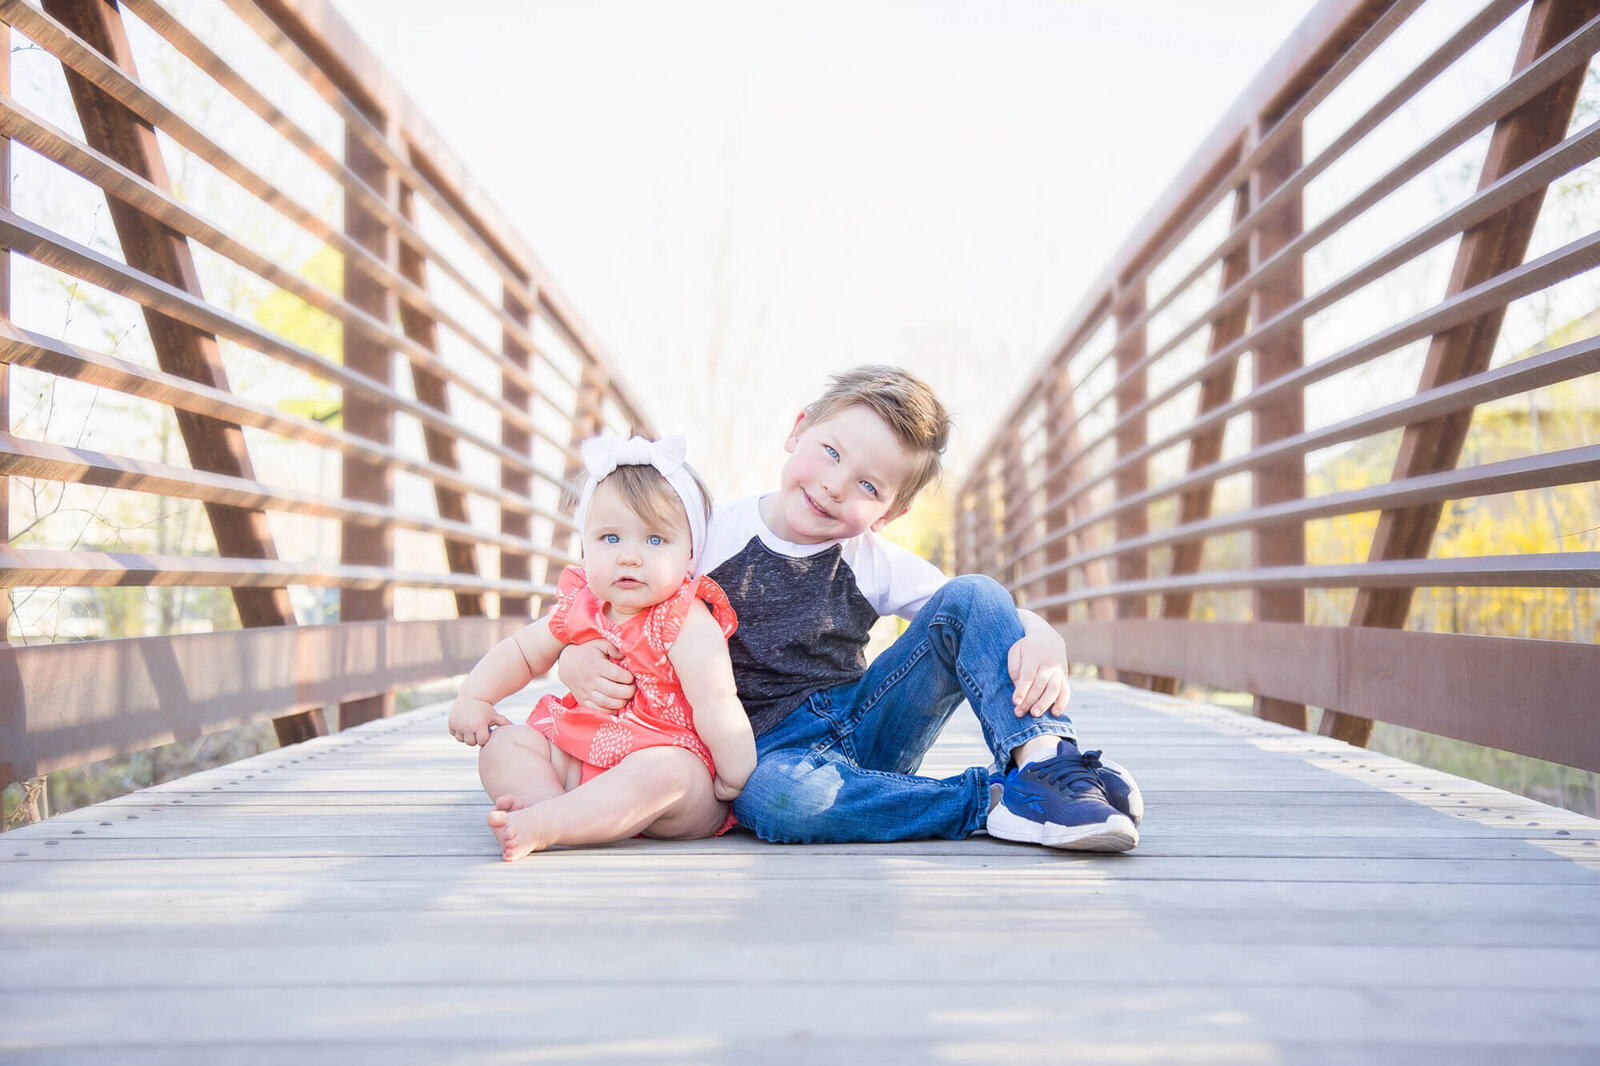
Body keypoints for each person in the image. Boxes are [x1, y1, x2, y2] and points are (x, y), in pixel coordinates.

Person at [559, 365, 1143, 852]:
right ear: (797, 431)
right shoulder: (707, 537)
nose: (836, 485)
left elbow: (975, 612)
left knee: (973, 591)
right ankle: (990, 798)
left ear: (889, 513)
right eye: (830, 452)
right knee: (783, 805)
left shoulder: (872, 560)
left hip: (866, 725)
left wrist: (1043, 634)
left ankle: (1045, 761)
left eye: (869, 487)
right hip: (765, 754)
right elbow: (613, 597)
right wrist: (576, 656)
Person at [447, 434, 756, 861]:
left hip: (662, 772)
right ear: (584, 547)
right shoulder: (581, 606)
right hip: (581, 756)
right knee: (505, 745)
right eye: (610, 538)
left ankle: (552, 822)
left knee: (669, 772)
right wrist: (475, 696)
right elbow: (521, 651)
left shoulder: (683, 618)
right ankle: (544, 804)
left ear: (690, 555)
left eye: (654, 540)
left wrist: (735, 774)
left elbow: (716, 700)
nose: (629, 556)